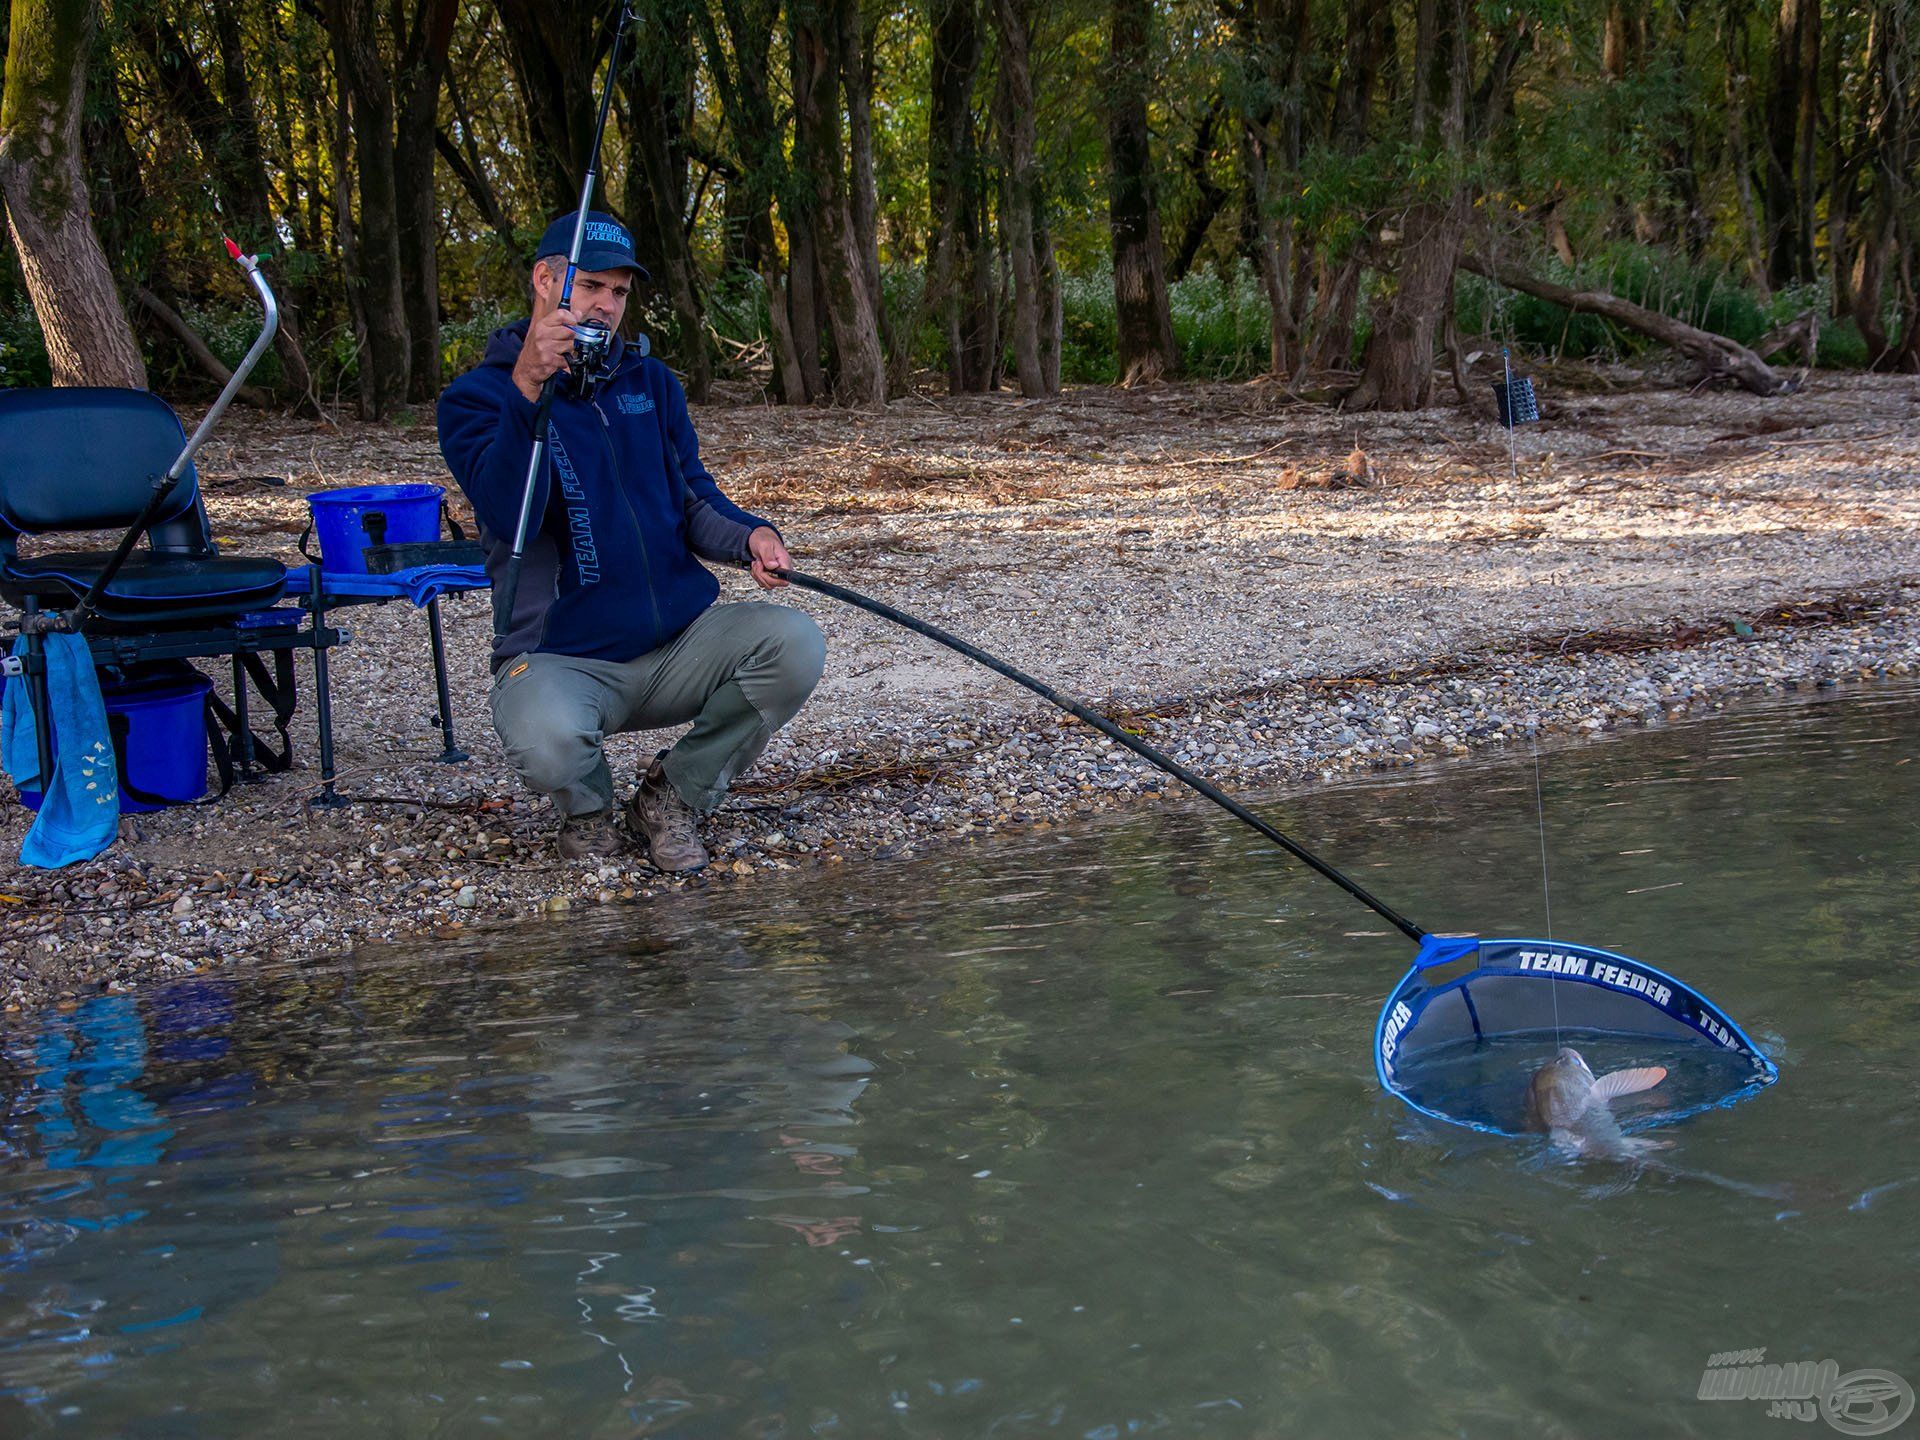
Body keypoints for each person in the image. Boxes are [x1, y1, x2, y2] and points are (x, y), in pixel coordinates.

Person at [436, 212, 825, 869]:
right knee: (545, 738)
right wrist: (530, 390)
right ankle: (587, 814)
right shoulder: (475, 399)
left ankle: (673, 796)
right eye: (590, 286)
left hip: (674, 646)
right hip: (563, 657)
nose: (607, 306)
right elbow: (512, 516)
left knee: (793, 642)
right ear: (544, 280)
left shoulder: (652, 384)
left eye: (619, 292)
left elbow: (694, 499)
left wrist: (753, 536)